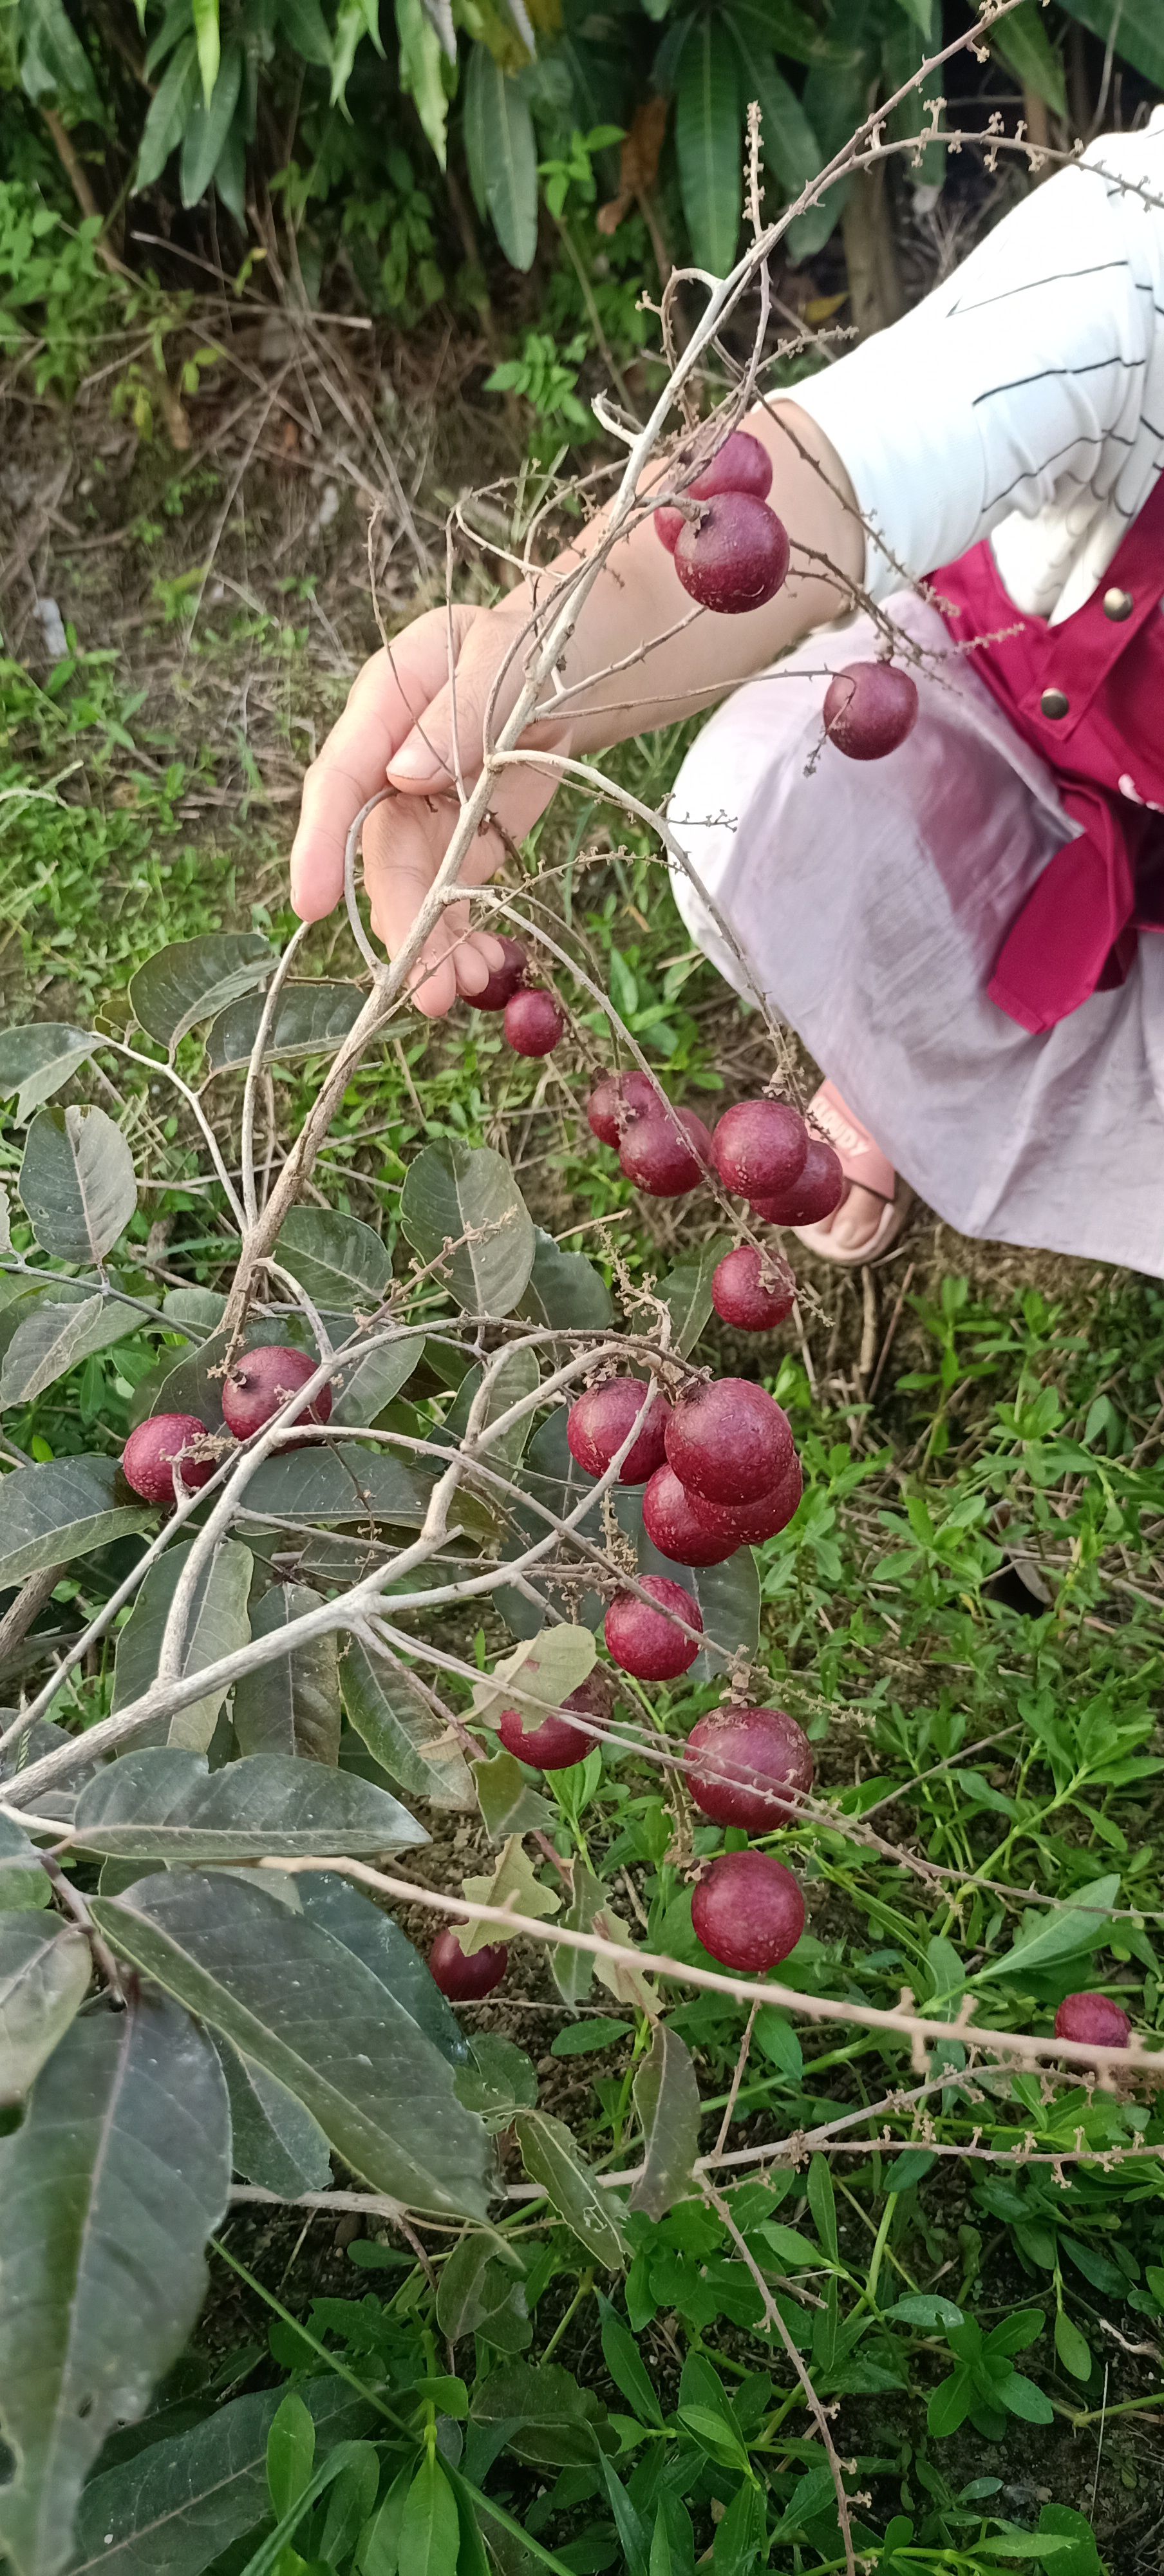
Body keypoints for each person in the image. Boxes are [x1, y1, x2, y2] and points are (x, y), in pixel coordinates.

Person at [290, 115, 1164, 1277]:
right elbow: (821, 474)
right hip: (1010, 706)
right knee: (756, 804)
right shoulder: (1135, 265)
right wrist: (540, 652)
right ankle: (887, 1054)